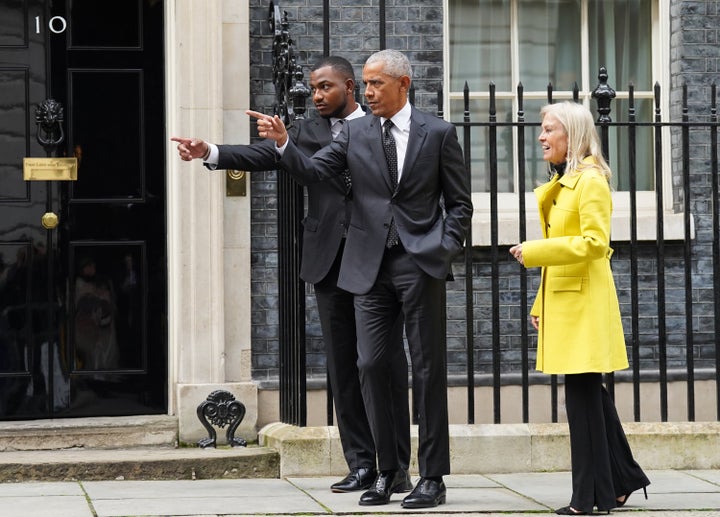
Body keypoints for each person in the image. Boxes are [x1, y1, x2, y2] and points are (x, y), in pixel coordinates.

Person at [171, 56, 412, 495]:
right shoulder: (303, 132)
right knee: (342, 368)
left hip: (376, 261)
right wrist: (211, 152)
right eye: (312, 89)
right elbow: (265, 155)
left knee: (381, 364)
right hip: (328, 261)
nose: (316, 96)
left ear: (350, 87)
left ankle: (395, 467)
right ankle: (361, 464)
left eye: (324, 88)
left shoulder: (381, 126)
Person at [250, 49, 473, 508]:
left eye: (376, 84)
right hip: (368, 265)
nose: (367, 92)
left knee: (428, 369)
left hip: (419, 262)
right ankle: (389, 471)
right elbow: (313, 171)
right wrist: (284, 144)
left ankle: (433, 476)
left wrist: (443, 246)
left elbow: (459, 204)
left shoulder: (439, 132)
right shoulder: (354, 132)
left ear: (403, 84)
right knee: (370, 364)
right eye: (365, 84)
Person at [509, 101, 650, 515]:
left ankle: (590, 498)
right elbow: (566, 255)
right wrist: (539, 302)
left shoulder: (590, 181)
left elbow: (594, 244)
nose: (541, 137)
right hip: (567, 299)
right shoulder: (568, 180)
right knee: (591, 397)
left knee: (582, 399)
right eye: (542, 129)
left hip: (585, 302)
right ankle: (622, 479)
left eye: (549, 129)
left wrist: (534, 250)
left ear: (572, 134)